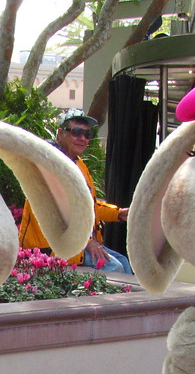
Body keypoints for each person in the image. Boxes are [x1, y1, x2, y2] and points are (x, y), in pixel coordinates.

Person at [17, 109, 133, 273]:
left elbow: (87, 206)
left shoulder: (77, 163)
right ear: (60, 133)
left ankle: (129, 299)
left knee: (124, 263)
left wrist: (119, 213)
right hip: (51, 248)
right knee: (116, 268)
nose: (83, 138)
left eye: (87, 134)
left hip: (75, 245)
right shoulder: (49, 163)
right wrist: (86, 242)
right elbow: (58, 213)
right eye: (77, 132)